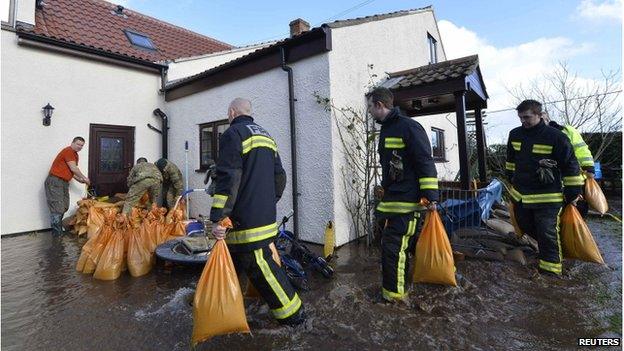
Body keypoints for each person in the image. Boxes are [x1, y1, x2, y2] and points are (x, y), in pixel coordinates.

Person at [210, 98, 305, 325]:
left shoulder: (233, 134)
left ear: (232, 112)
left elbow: (229, 179)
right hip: (263, 213)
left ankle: (293, 312)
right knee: (233, 260)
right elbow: (279, 176)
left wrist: (218, 217)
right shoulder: (266, 136)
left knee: (260, 265)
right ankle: (223, 302)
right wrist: (267, 201)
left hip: (245, 220)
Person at [367, 87, 439, 302]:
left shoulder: (409, 127)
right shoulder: (388, 129)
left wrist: (431, 197)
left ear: (380, 105)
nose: (369, 112)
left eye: (370, 107)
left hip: (407, 201)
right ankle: (402, 289)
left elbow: (425, 162)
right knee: (397, 248)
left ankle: (395, 298)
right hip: (395, 199)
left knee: (394, 249)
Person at [505, 100, 583, 276]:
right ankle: (553, 250)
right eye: (520, 118)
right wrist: (510, 177)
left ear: (540, 115)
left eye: (527, 117)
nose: (523, 121)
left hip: (547, 197)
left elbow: (571, 165)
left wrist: (573, 191)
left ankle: (551, 272)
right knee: (525, 225)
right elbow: (511, 160)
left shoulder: (556, 137)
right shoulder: (515, 134)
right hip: (521, 196)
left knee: (546, 232)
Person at [542, 112, 595, 217]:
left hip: (574, 176)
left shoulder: (567, 131)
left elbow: (581, 149)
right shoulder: (533, 135)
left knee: (577, 207)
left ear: (548, 119)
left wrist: (589, 167)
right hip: (552, 181)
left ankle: (578, 229)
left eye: (542, 119)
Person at [45, 137, 90, 235]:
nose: (80, 147)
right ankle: (57, 234)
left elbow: (71, 172)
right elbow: (73, 168)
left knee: (64, 205)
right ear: (72, 143)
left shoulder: (75, 155)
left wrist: (80, 180)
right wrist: (85, 178)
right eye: (78, 144)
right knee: (58, 207)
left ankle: (58, 229)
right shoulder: (68, 151)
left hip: (64, 182)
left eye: (82, 145)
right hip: (55, 181)